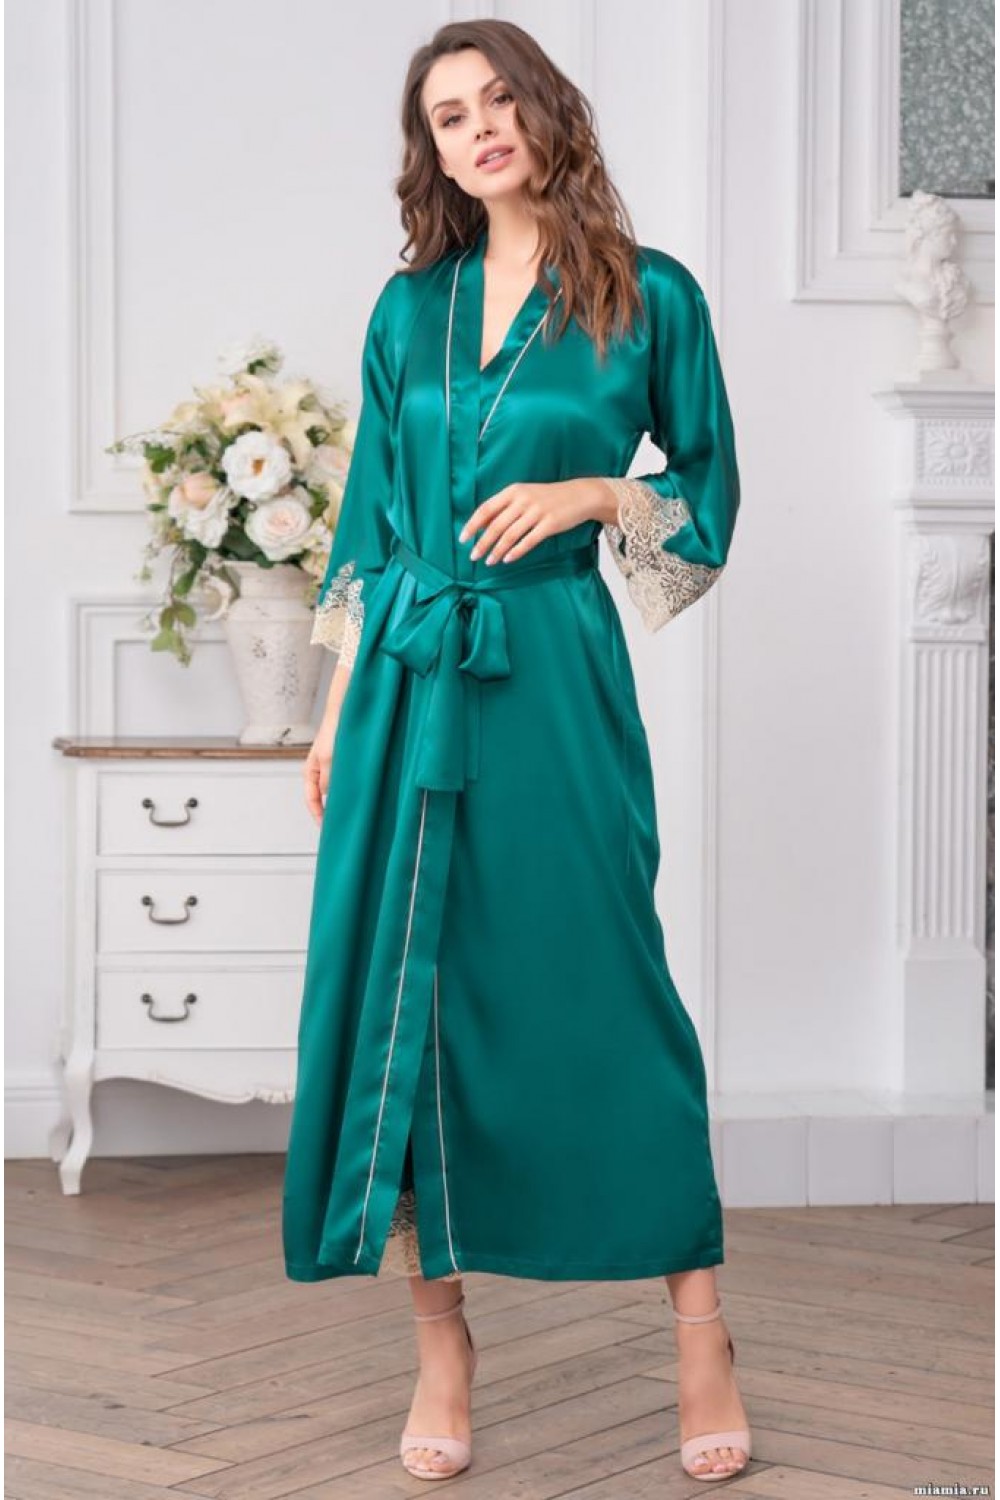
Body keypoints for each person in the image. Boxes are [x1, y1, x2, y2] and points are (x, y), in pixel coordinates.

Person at [282, 17, 751, 1485]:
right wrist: (330, 712)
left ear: (547, 113)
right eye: (448, 115)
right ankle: (443, 1344)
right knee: (407, 990)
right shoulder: (406, 307)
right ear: (430, 151)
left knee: (607, 978)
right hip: (405, 680)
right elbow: (367, 523)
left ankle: (700, 1332)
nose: (479, 128)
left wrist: (596, 495)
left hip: (553, 669)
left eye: (499, 100)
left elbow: (709, 500)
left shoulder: (649, 295)